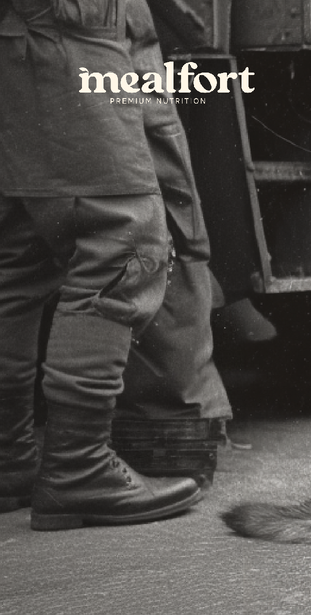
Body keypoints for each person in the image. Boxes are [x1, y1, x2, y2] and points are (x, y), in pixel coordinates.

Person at [0, 0, 202, 528]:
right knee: (123, 237)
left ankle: (8, 460)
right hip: (68, 28)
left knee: (20, 252)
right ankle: (77, 469)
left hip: (25, 37)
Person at [110, 0, 233, 486]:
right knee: (165, 220)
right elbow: (195, 24)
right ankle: (170, 435)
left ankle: (16, 459)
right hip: (113, 42)